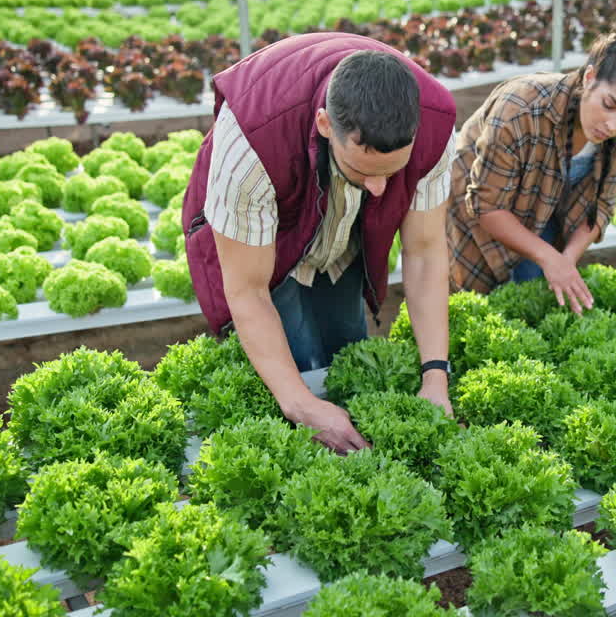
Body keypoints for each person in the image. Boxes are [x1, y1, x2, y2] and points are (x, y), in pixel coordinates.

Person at [180, 32, 457, 453]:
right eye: (363, 171)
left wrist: (435, 375)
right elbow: (248, 290)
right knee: (295, 361)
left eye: (392, 172)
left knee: (344, 346)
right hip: (268, 233)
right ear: (325, 125)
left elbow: (424, 252)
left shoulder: (434, 123)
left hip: (341, 231)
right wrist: (300, 405)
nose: (380, 189)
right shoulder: (252, 141)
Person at [447, 33, 616, 311]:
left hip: (549, 207)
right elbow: (486, 206)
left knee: (536, 299)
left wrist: (566, 259)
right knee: (479, 302)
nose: (613, 125)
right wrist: (549, 258)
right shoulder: (521, 109)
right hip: (480, 210)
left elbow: (601, 208)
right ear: (589, 78)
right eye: (609, 105)